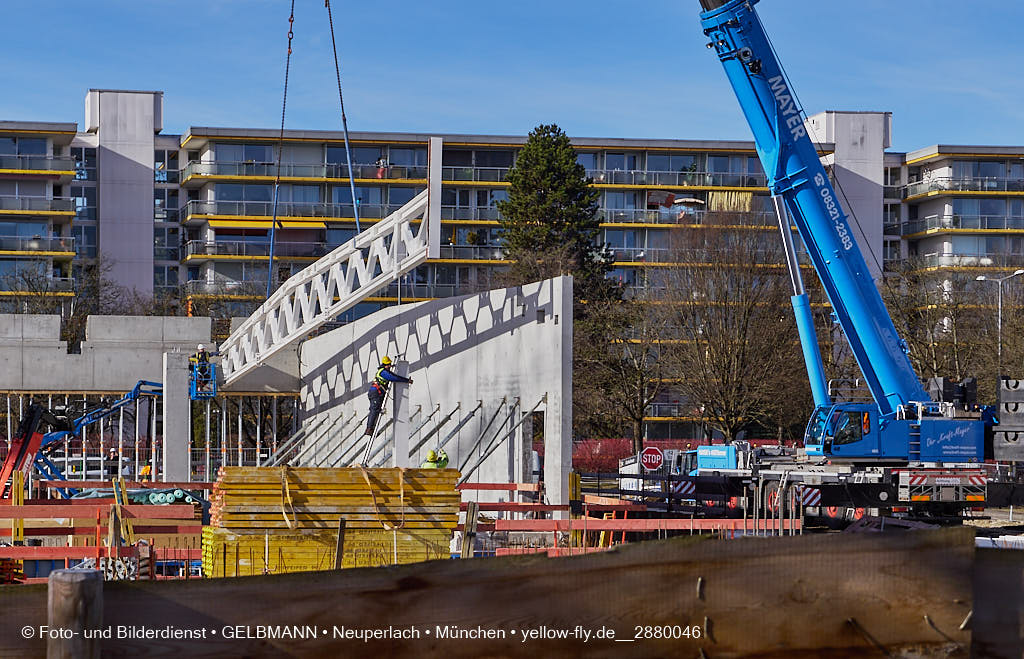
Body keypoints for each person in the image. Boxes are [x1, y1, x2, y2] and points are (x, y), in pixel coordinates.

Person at [365, 356, 413, 436]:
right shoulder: (383, 372)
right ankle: (369, 429)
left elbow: (393, 376)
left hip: (375, 392)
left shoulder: (383, 371)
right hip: (376, 393)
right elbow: (393, 378)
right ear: (385, 365)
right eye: (389, 365)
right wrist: (406, 380)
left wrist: (406, 380)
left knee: (374, 410)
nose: (390, 366)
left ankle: (370, 428)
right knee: (374, 411)